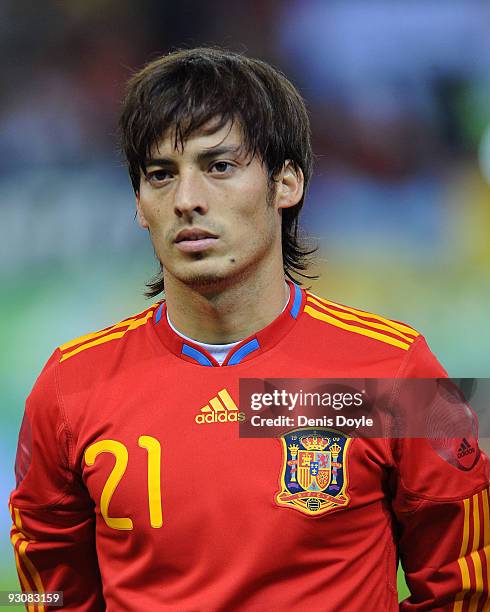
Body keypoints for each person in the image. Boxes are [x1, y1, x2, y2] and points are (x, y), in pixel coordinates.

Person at [8, 47, 489, 611]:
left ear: (286, 184)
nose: (187, 201)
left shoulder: (393, 371)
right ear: (139, 204)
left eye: (219, 167)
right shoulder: (71, 386)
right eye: (161, 175)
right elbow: (47, 594)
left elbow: (464, 586)